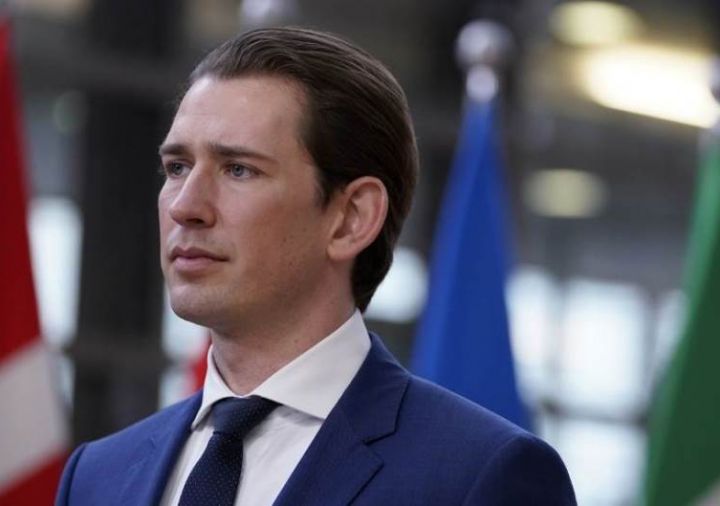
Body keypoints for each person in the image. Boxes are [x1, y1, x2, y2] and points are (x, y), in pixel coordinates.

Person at [55, 26, 576, 505]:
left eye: (238, 169)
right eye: (177, 167)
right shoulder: (96, 478)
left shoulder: (481, 474)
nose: (184, 206)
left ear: (351, 218)